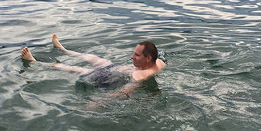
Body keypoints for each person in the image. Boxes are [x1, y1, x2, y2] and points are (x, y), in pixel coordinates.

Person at [21, 34, 165, 103]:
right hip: (114, 68)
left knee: (73, 69)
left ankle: (34, 62)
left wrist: (99, 102)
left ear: (147, 58)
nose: (132, 57)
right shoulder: (158, 62)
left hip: (106, 78)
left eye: (136, 55)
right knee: (92, 58)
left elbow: (124, 92)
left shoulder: (140, 76)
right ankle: (63, 49)